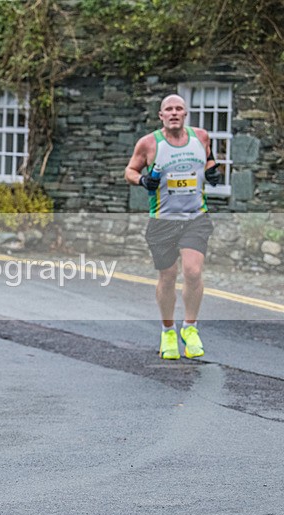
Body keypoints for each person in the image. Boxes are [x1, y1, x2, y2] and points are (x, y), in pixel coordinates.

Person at [125, 94, 223, 360]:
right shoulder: (148, 143)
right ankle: (168, 330)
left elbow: (210, 161)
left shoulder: (201, 137)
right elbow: (130, 171)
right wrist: (143, 181)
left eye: (179, 108)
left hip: (195, 217)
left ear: (185, 113)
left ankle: (189, 328)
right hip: (163, 219)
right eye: (169, 109)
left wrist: (213, 172)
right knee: (168, 276)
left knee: (192, 271)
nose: (174, 113)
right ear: (161, 116)